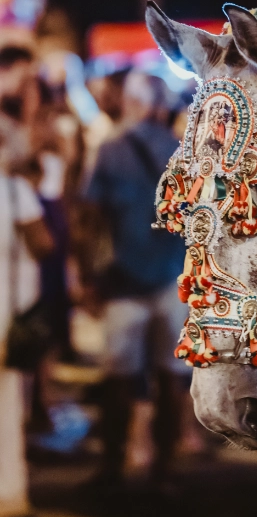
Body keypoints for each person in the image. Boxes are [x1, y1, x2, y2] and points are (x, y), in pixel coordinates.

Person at [82, 69, 187, 489]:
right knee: (170, 377)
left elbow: (90, 216)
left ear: (132, 104)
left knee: (119, 377)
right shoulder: (182, 150)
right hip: (172, 279)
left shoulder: (109, 150)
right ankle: (164, 467)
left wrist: (87, 275)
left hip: (124, 278)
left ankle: (112, 465)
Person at [0, 46, 53, 517]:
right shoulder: (14, 190)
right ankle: (9, 492)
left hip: (10, 311)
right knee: (6, 406)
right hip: (9, 313)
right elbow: (43, 245)